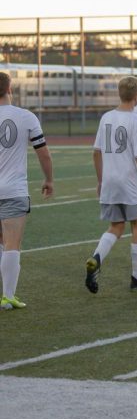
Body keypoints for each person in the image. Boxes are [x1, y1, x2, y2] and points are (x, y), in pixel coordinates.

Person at [84, 76, 137, 295]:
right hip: (131, 183)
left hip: (110, 181)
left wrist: (100, 180)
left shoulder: (106, 117)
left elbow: (96, 153)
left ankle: (96, 257)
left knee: (115, 227)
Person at [0, 71, 53, 310]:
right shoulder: (26, 116)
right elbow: (42, 151)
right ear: (10, 89)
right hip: (13, 189)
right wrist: (48, 179)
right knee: (12, 243)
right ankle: (8, 296)